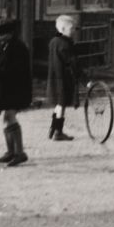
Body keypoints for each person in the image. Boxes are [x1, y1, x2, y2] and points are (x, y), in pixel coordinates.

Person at [0, 17, 33, 166]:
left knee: (9, 116)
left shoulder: (18, 47)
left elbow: (17, 70)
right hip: (3, 88)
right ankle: (11, 151)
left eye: (1, 33)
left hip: (15, 88)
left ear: (9, 33)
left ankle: (19, 152)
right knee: (5, 118)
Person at [46, 14, 81, 142]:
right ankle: (58, 132)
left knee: (58, 104)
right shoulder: (65, 44)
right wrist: (82, 76)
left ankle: (53, 128)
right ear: (62, 29)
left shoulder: (53, 42)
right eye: (71, 28)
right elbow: (72, 62)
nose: (73, 31)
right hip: (63, 78)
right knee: (62, 104)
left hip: (54, 77)